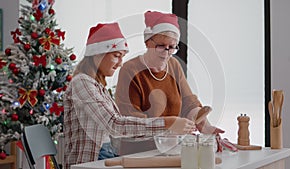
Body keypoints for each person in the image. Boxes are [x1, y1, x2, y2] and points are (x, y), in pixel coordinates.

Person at [63, 22, 196, 169]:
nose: (120, 64)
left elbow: (120, 129)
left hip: (107, 156)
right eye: (116, 56)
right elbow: (115, 124)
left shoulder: (98, 87)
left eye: (122, 57)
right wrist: (167, 123)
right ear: (98, 54)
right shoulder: (81, 83)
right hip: (91, 161)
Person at [114, 11, 224, 154]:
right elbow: (131, 120)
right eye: (161, 45)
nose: (166, 52)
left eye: (171, 47)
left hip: (172, 149)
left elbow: (188, 101)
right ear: (148, 42)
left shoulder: (173, 65)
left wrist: (204, 126)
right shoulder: (130, 69)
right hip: (139, 153)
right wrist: (170, 126)